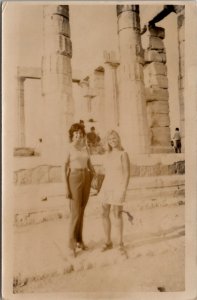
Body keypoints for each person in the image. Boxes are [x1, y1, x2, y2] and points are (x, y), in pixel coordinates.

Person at [64, 123, 95, 257]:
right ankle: (71, 245)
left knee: (81, 210)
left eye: (80, 134)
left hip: (86, 177)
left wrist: (95, 175)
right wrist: (66, 187)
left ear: (83, 135)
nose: (78, 136)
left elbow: (89, 163)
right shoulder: (68, 148)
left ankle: (79, 241)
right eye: (75, 134)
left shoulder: (85, 148)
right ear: (72, 135)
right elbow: (63, 168)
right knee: (75, 212)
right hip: (74, 177)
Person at [98, 130, 130, 255]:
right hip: (107, 186)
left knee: (117, 214)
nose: (113, 140)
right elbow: (104, 171)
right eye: (110, 139)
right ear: (108, 141)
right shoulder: (107, 154)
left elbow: (127, 174)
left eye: (115, 138)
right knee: (103, 213)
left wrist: (123, 190)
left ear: (118, 139)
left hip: (118, 186)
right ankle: (108, 242)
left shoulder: (123, 153)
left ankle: (120, 243)